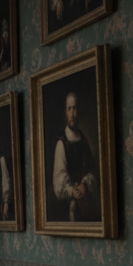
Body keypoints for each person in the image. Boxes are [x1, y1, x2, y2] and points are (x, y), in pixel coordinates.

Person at [52, 92, 99, 222]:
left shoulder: (83, 140)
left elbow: (93, 170)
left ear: (78, 110)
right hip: (67, 209)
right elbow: (59, 181)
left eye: (75, 108)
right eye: (69, 109)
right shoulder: (62, 143)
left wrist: (85, 185)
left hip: (86, 206)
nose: (72, 114)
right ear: (65, 112)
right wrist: (72, 191)